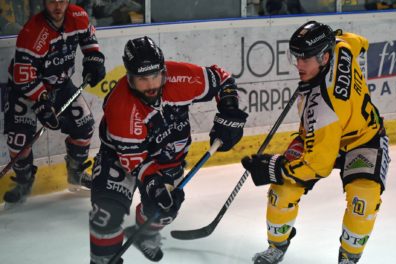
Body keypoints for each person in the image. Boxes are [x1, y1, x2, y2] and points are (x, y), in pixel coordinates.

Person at [241, 21, 391, 264]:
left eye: (305, 59)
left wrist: (274, 167)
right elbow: (359, 41)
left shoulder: (323, 108)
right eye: (296, 58)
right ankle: (277, 245)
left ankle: (348, 259)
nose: (299, 65)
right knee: (282, 192)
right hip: (316, 135)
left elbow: (318, 165)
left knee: (363, 199)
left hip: (363, 140)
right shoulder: (341, 46)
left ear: (324, 56)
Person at [89, 36, 248, 264]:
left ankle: (144, 234)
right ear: (130, 78)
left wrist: (229, 110)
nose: (152, 85)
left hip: (168, 156)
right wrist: (153, 184)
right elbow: (134, 161)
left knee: (165, 210)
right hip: (119, 156)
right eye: (142, 79)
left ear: (163, 70)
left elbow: (222, 79)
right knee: (106, 214)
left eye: (156, 76)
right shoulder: (121, 106)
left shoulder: (179, 77)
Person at [3, 0, 106, 206]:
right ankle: (24, 182)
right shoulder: (32, 32)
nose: (57, 6)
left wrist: (94, 60)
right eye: (52, 1)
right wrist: (41, 104)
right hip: (26, 89)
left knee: (84, 126)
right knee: (19, 139)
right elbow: (24, 76)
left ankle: (75, 173)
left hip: (60, 84)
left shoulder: (78, 17)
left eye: (62, 0)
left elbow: (89, 42)